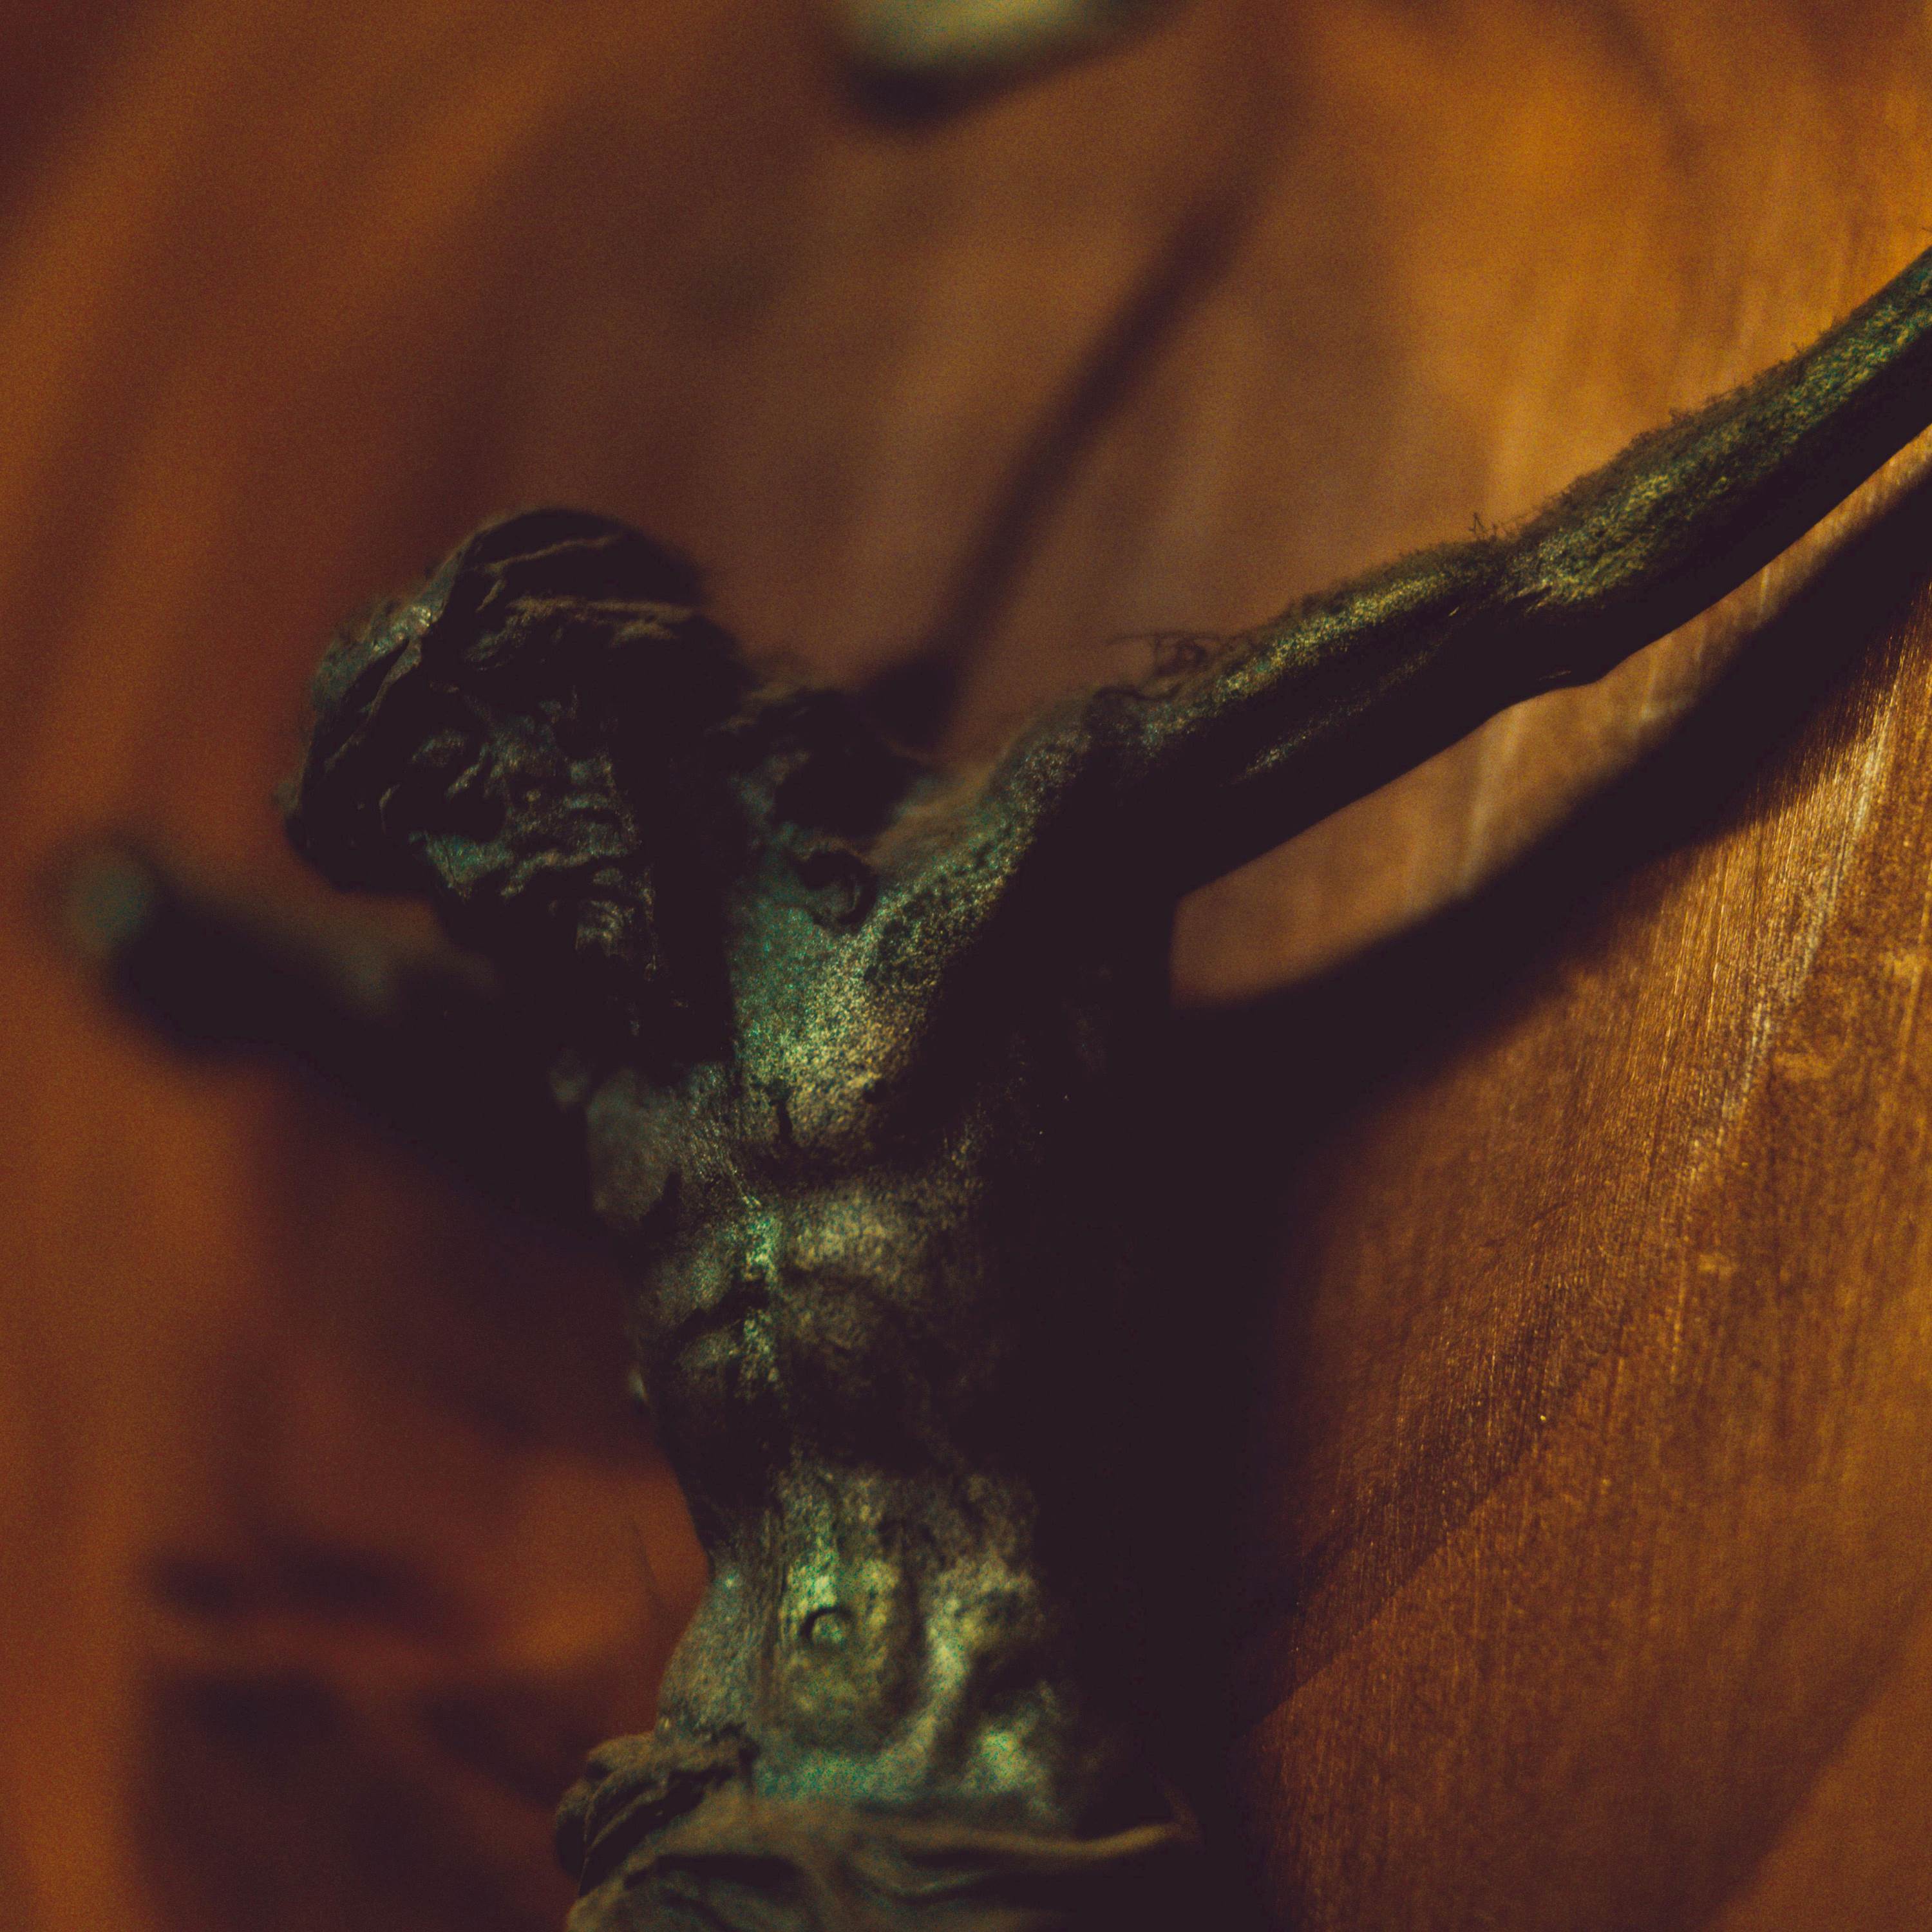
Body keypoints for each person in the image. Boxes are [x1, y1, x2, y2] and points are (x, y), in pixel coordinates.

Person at [70, 238, 1932, 1928]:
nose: (472, 897)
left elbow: (1520, 606)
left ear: (589, 722)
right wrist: (202, 951)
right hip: (709, 1836)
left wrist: (1903, 348)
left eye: (466, 816)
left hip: (1007, 1835)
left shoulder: (1007, 888)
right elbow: (401, 1034)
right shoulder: (627, 1106)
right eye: (429, 873)